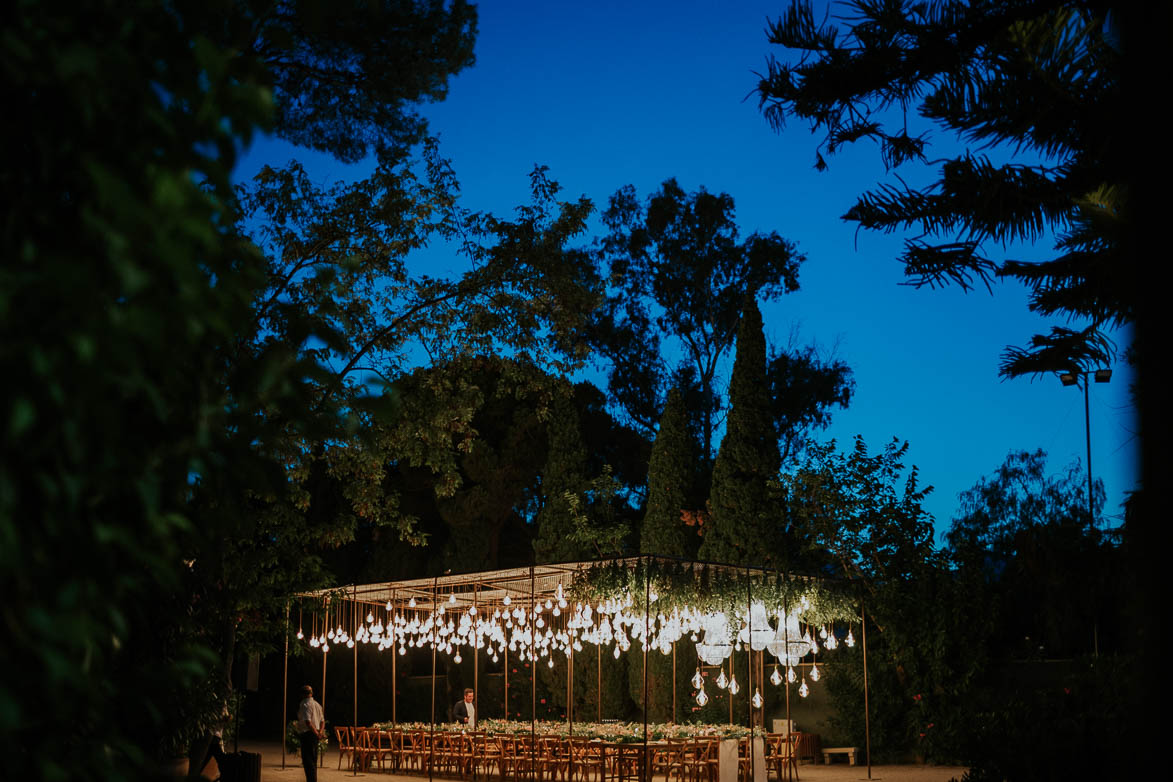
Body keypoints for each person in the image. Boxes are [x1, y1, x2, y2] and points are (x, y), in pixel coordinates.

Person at [297, 685, 325, 782]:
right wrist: (320, 732)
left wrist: (317, 733)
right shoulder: (317, 705)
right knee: (313, 761)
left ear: (303, 694)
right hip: (314, 734)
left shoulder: (305, 704)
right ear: (311, 693)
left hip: (308, 734)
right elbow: (322, 721)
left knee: (308, 762)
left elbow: (308, 722)